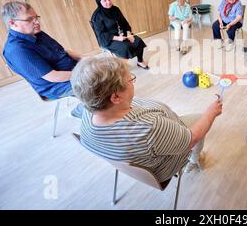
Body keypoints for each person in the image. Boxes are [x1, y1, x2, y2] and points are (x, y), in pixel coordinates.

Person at [70, 56, 223, 180]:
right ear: (115, 97)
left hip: (137, 159)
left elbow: (74, 111)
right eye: (130, 79)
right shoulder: (150, 128)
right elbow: (191, 139)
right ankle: (194, 160)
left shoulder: (88, 108)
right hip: (163, 167)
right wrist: (211, 112)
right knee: (200, 119)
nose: (133, 82)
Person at [1, 1, 83, 116]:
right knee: (101, 83)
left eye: (36, 17)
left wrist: (84, 59)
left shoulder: (36, 32)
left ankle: (96, 108)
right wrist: (85, 72)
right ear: (12, 23)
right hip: (56, 85)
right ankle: (82, 112)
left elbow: (62, 51)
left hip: (72, 71)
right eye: (30, 19)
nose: (37, 22)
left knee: (108, 75)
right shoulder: (17, 50)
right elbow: (53, 77)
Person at [91, 0, 149, 70]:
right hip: (109, 39)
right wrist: (118, 38)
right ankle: (120, 68)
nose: (108, 2)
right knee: (126, 47)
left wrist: (128, 34)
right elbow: (101, 34)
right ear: (99, 2)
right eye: (104, 0)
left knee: (138, 41)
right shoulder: (97, 16)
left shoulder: (115, 9)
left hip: (122, 34)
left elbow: (125, 23)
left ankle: (140, 61)